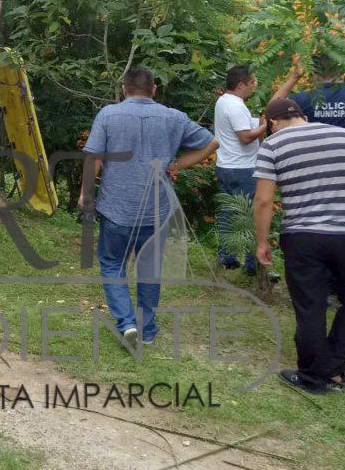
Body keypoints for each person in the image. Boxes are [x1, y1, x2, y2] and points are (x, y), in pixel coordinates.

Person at [81, 67, 218, 348]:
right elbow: (212, 142)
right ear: (153, 89)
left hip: (116, 206)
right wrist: (177, 165)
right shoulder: (173, 117)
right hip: (157, 208)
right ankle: (147, 329)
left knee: (112, 263)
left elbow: (93, 157)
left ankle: (126, 322)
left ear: (124, 89)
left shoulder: (108, 114)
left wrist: (86, 194)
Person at [253, 98, 345, 394]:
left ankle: (315, 377)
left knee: (311, 306)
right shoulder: (344, 136)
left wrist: (262, 242)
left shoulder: (273, 144)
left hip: (303, 237)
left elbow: (264, 200)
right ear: (302, 116)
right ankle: (334, 369)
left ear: (273, 121)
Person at [213, 65, 299, 272]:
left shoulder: (224, 101)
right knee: (254, 215)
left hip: (226, 164)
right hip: (242, 167)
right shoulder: (235, 106)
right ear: (241, 84)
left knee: (229, 212)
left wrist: (260, 123)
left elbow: (249, 125)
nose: (254, 87)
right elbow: (245, 137)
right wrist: (267, 126)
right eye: (252, 83)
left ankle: (227, 255)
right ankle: (253, 263)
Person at [278, 54, 345, 149]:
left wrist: (295, 76)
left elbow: (272, 112)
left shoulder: (300, 100)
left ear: (311, 72)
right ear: (343, 72)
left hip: (310, 162)